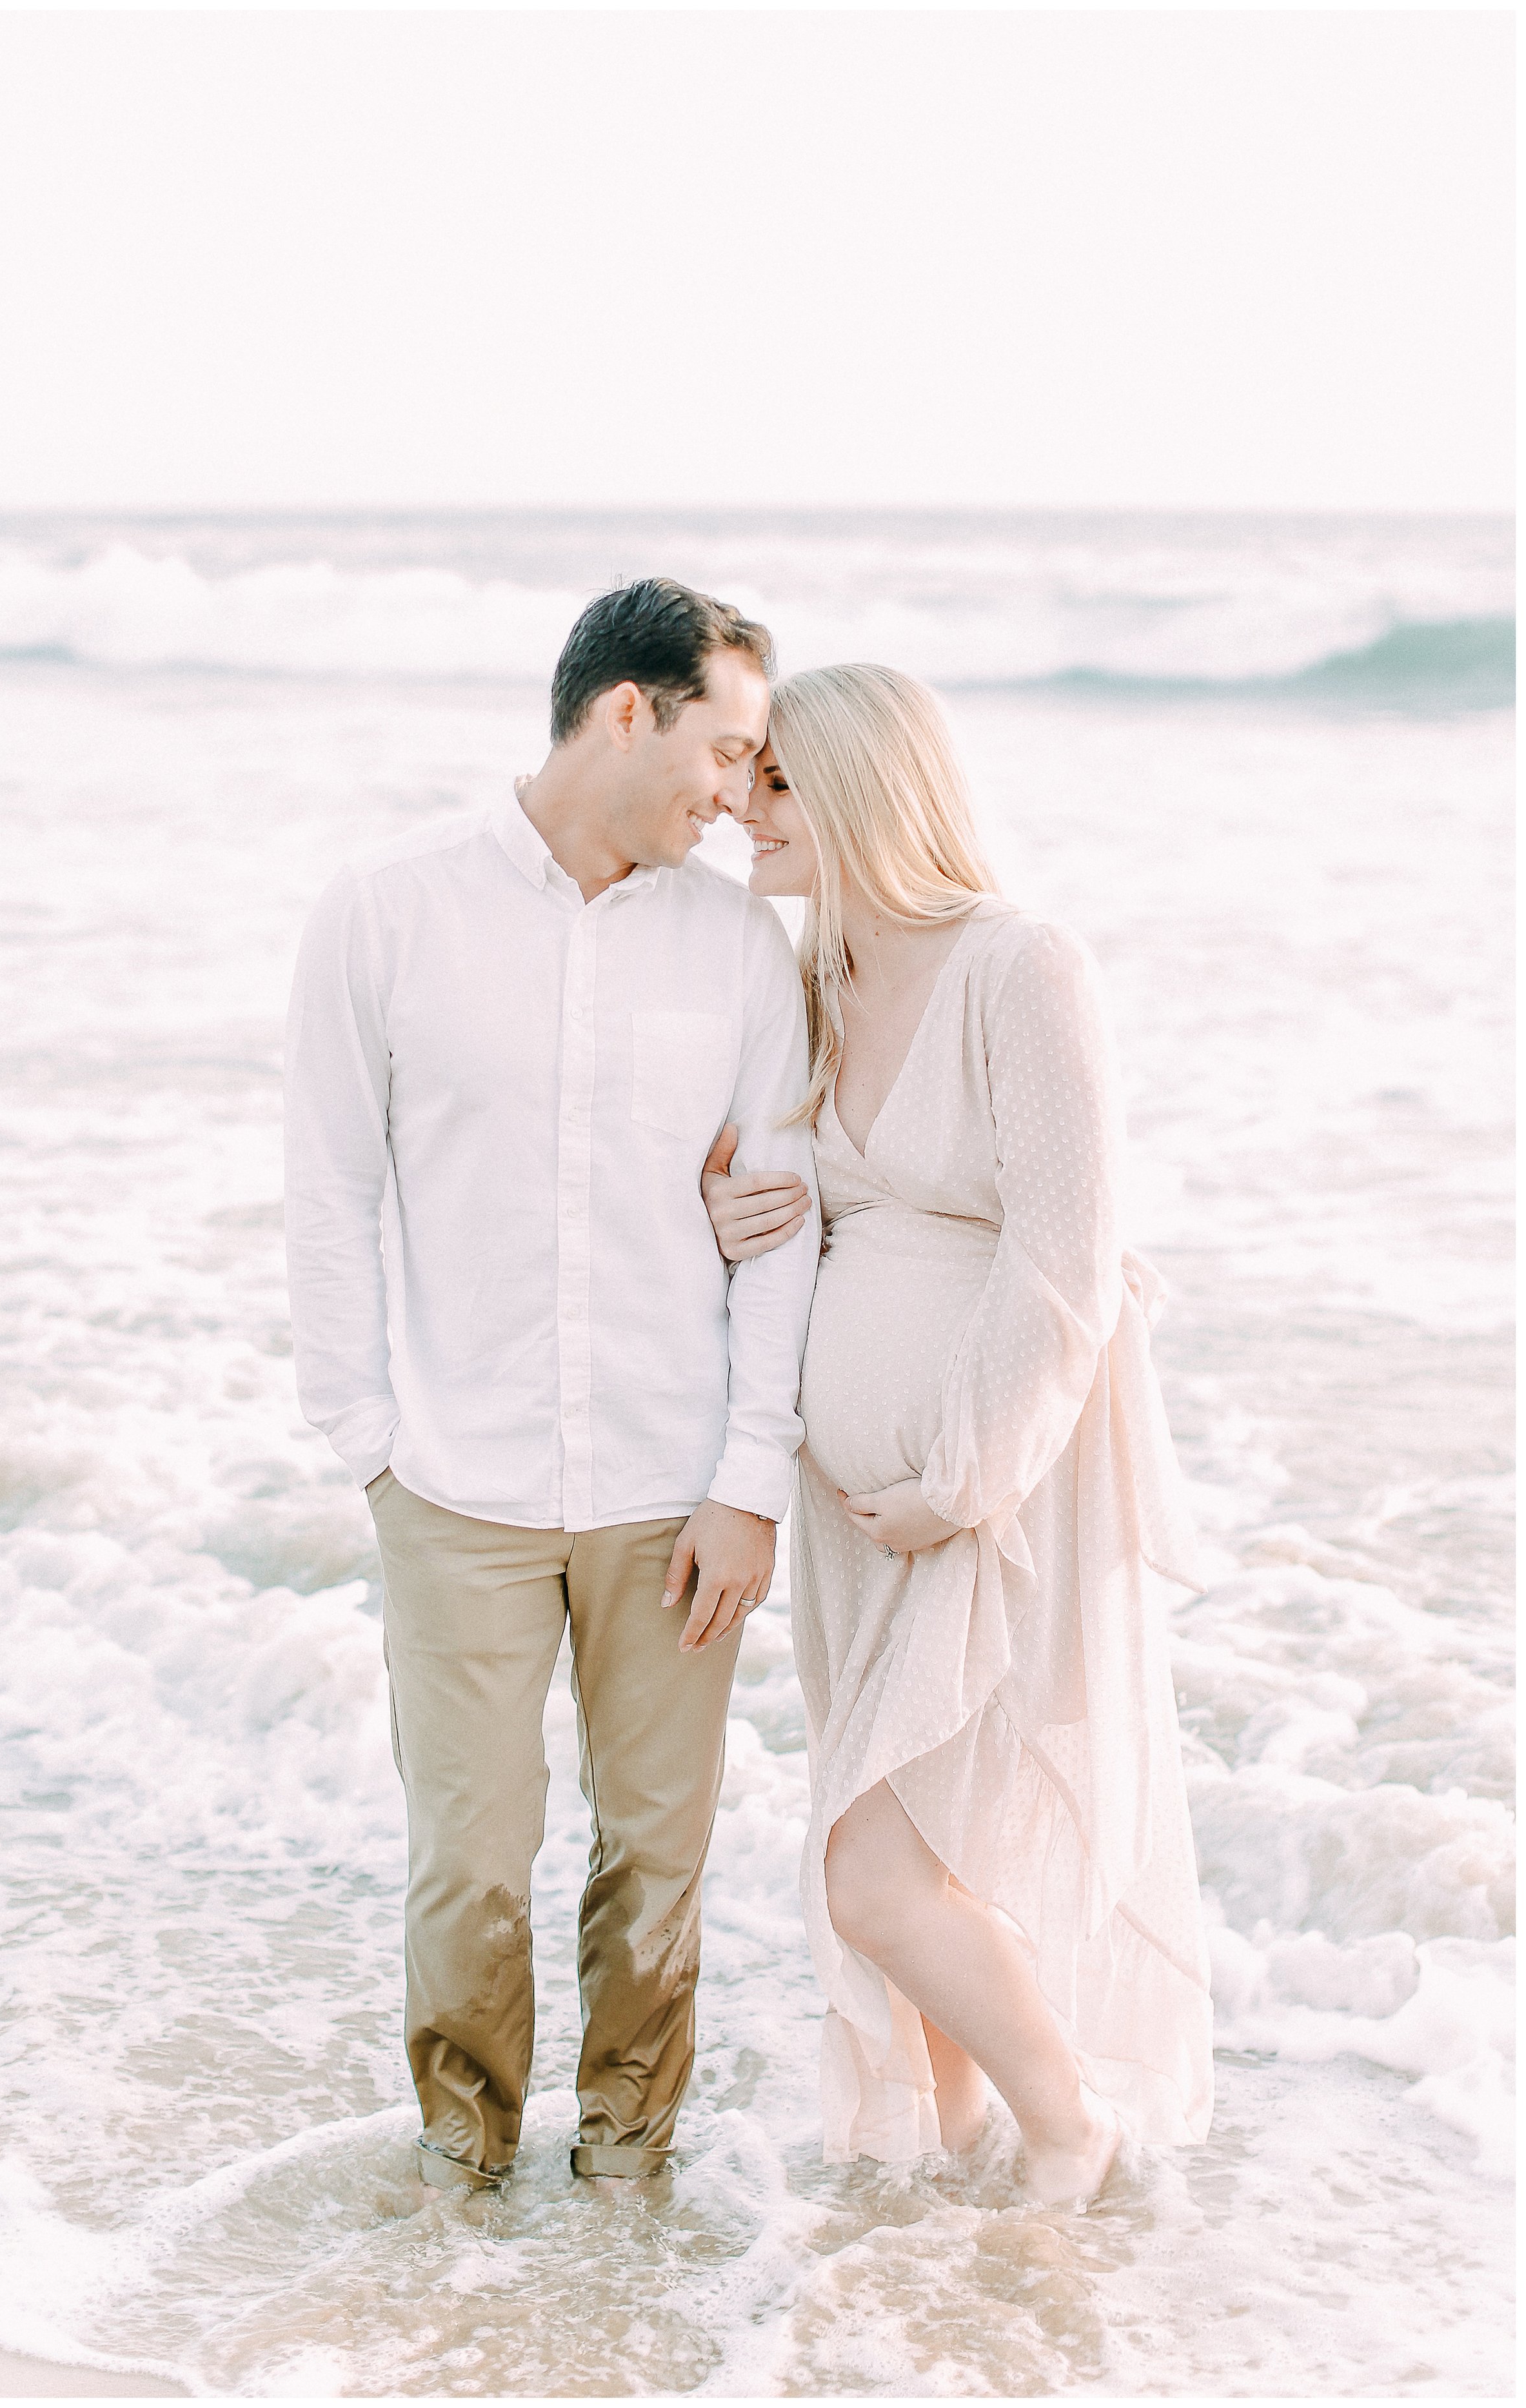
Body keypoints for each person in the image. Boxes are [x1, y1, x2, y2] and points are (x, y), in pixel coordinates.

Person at [283, 578, 819, 2192]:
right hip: (458, 1481)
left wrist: (749, 1480)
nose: (733, 799)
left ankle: (628, 2176)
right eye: (721, 752)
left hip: (675, 1483)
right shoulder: (382, 912)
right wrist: (368, 1444)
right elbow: (329, 1192)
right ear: (624, 711)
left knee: (657, 1863)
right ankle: (463, 2177)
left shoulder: (739, 949)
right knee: (469, 1865)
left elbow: (777, 1224)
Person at [702, 663, 1213, 2206]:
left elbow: (1064, 1259)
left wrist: (962, 1479)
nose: (738, 803)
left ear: (861, 787)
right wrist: (727, 1210)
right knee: (924, 1842)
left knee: (870, 1871)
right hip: (857, 1506)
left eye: (774, 782)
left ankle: (1068, 2125)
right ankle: (957, 2150)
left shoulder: (1018, 965)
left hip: (980, 1486)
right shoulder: (808, 979)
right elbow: (786, 1211)